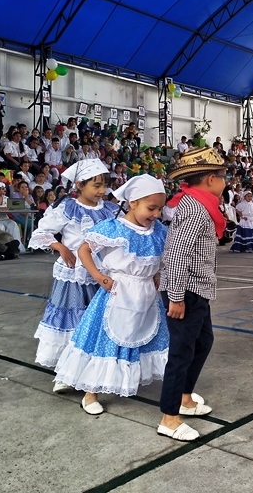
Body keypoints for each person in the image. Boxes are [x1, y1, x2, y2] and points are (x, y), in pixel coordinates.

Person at [54, 175, 171, 415]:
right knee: (105, 341)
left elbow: (158, 258)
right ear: (132, 203)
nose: (156, 214)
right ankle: (90, 393)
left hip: (147, 295)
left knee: (148, 337)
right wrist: (99, 276)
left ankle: (169, 388)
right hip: (118, 294)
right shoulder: (114, 228)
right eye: (151, 208)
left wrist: (157, 274)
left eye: (160, 208)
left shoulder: (158, 230)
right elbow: (84, 249)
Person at [158, 147, 228, 442]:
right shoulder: (195, 209)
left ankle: (185, 398)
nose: (226, 182)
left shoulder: (200, 205)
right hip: (185, 291)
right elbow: (176, 255)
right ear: (211, 179)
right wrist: (175, 297)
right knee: (181, 352)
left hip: (198, 289)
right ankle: (169, 418)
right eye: (223, 177)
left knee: (203, 341)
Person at [28, 159, 118, 378]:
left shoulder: (111, 210)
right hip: (74, 274)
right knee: (73, 321)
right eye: (96, 186)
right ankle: (66, 372)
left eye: (104, 185)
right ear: (79, 184)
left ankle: (93, 369)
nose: (101, 191)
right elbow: (41, 232)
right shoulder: (67, 208)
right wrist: (60, 246)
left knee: (99, 321)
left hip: (103, 274)